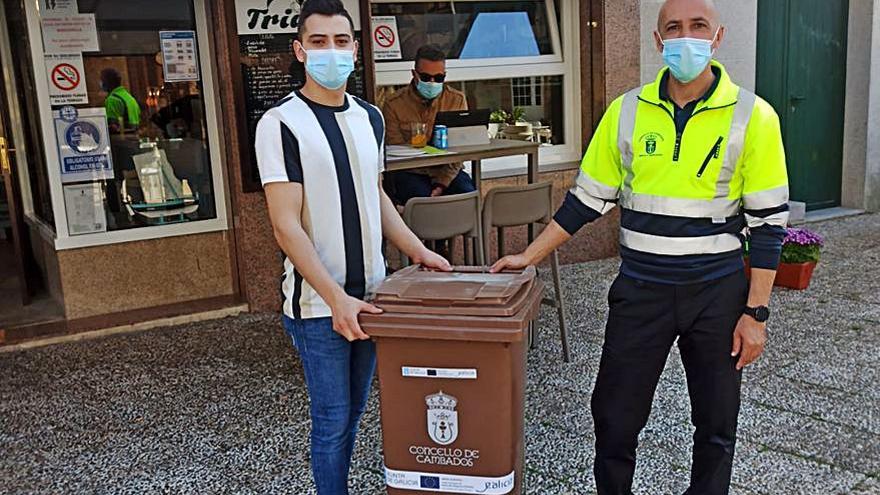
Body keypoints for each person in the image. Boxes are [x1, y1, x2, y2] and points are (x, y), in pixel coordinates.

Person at [492, 1, 789, 493]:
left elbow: (768, 225)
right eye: (673, 27)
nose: (685, 36)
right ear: (657, 40)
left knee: (716, 424)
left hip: (717, 291)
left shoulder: (754, 116)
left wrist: (755, 315)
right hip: (642, 289)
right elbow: (586, 200)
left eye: (698, 26)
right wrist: (530, 254)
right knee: (614, 417)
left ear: (717, 38)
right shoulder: (626, 111)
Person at [254, 1, 451, 493]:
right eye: (318, 42)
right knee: (333, 421)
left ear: (356, 50)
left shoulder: (370, 118)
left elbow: (374, 195)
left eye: (341, 42)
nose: (331, 52)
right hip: (320, 306)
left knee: (356, 414)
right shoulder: (280, 124)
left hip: (373, 296)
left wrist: (418, 250)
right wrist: (336, 299)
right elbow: (285, 226)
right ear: (300, 51)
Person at [382, 45, 476, 202]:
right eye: (426, 77)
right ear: (414, 74)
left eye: (438, 78)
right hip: (411, 171)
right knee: (420, 202)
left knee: (468, 195)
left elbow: (460, 148)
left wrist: (442, 183)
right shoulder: (394, 104)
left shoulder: (456, 100)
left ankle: (467, 227)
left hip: (448, 170)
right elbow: (395, 150)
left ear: (445, 76)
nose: (432, 82)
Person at [100, 68, 141, 134]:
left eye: (102, 80)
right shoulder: (129, 97)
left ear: (107, 82)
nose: (100, 83)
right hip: (134, 138)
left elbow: (113, 127)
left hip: (121, 140)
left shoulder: (112, 99)